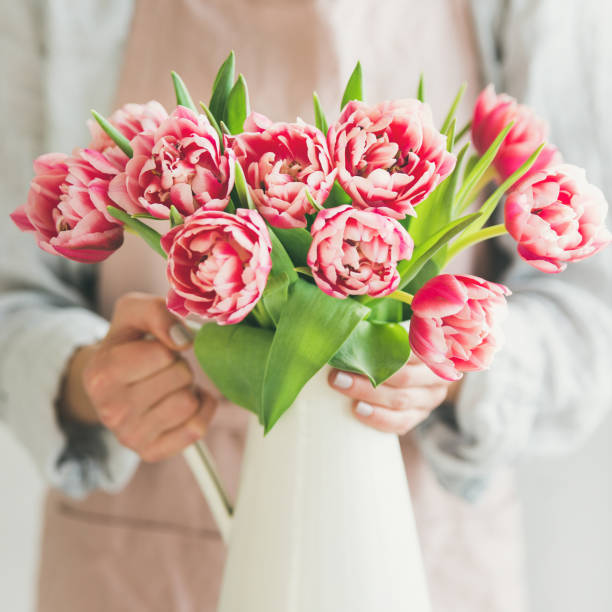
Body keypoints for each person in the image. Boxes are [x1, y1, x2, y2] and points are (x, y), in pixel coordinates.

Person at [1, 1, 611, 611]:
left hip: (418, 557)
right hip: (135, 568)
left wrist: (455, 361)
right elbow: (12, 294)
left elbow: (590, 311)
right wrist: (89, 378)